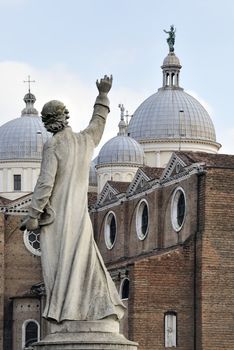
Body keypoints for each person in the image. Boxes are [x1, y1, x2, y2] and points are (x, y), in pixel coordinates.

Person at [21, 75, 125, 323]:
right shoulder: (84, 140)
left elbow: (45, 183)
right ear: (65, 117)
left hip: (57, 218)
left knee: (61, 266)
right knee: (83, 261)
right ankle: (92, 310)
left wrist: (33, 215)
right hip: (80, 215)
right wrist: (102, 96)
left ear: (48, 122)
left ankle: (66, 312)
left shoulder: (54, 145)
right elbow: (97, 123)